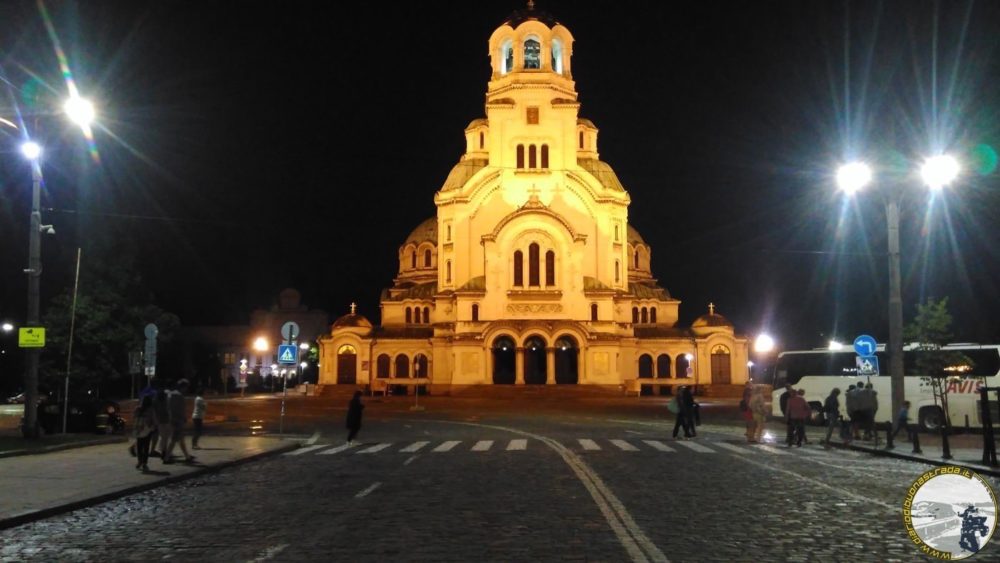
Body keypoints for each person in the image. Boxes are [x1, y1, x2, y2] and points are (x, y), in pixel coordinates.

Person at [165, 379, 195, 463]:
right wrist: (183, 418)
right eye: (186, 387)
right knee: (174, 440)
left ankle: (187, 456)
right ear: (183, 387)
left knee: (181, 439)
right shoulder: (179, 396)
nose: (187, 389)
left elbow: (169, 408)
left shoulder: (170, 394)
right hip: (178, 420)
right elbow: (181, 409)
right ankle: (166, 458)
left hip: (172, 419)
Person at [132, 395, 157, 472]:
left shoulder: (137, 409)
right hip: (147, 430)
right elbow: (154, 420)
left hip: (139, 430)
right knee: (146, 447)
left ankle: (139, 461)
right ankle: (144, 463)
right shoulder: (151, 409)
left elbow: (134, 417)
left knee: (139, 447)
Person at [152, 379, 173, 461]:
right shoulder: (165, 398)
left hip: (160, 420)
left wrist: (155, 419)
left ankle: (164, 452)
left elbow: (154, 410)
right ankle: (164, 453)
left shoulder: (156, 399)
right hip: (166, 419)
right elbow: (168, 408)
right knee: (166, 437)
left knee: (163, 436)